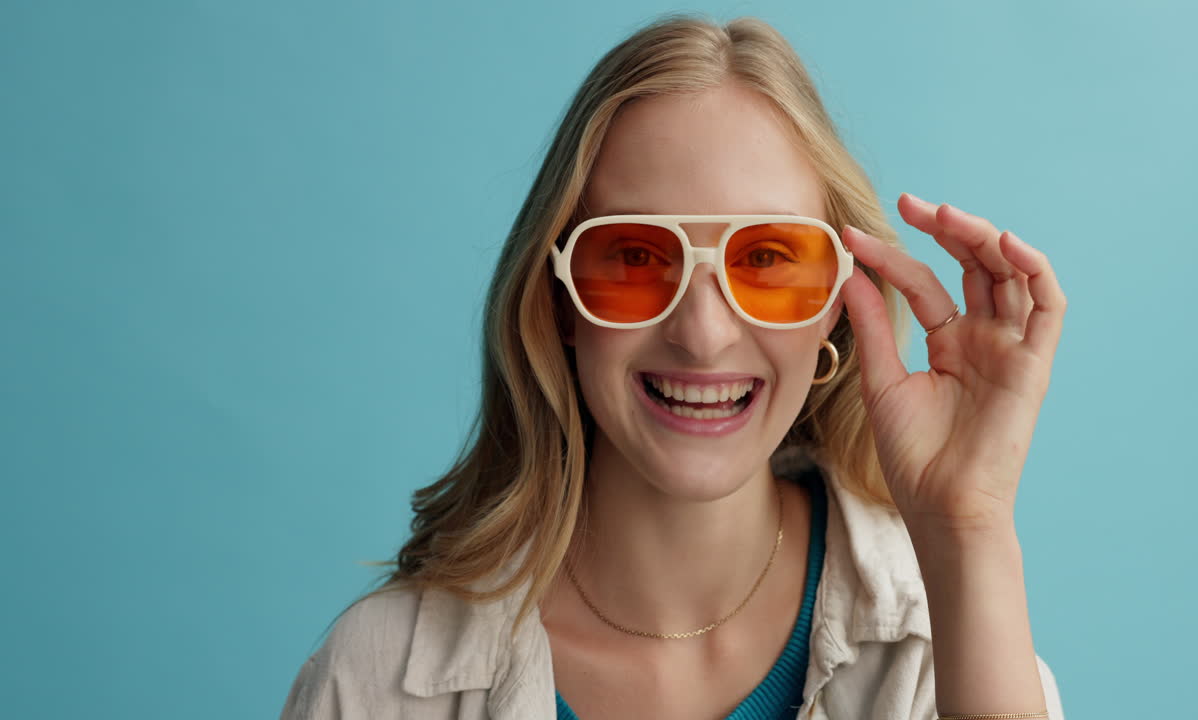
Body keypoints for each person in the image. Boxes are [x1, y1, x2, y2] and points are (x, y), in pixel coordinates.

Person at [280, 13, 1067, 720]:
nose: (701, 333)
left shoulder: (951, 644)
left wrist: (970, 528)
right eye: (632, 256)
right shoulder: (377, 681)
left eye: (766, 258)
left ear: (838, 299)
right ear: (555, 302)